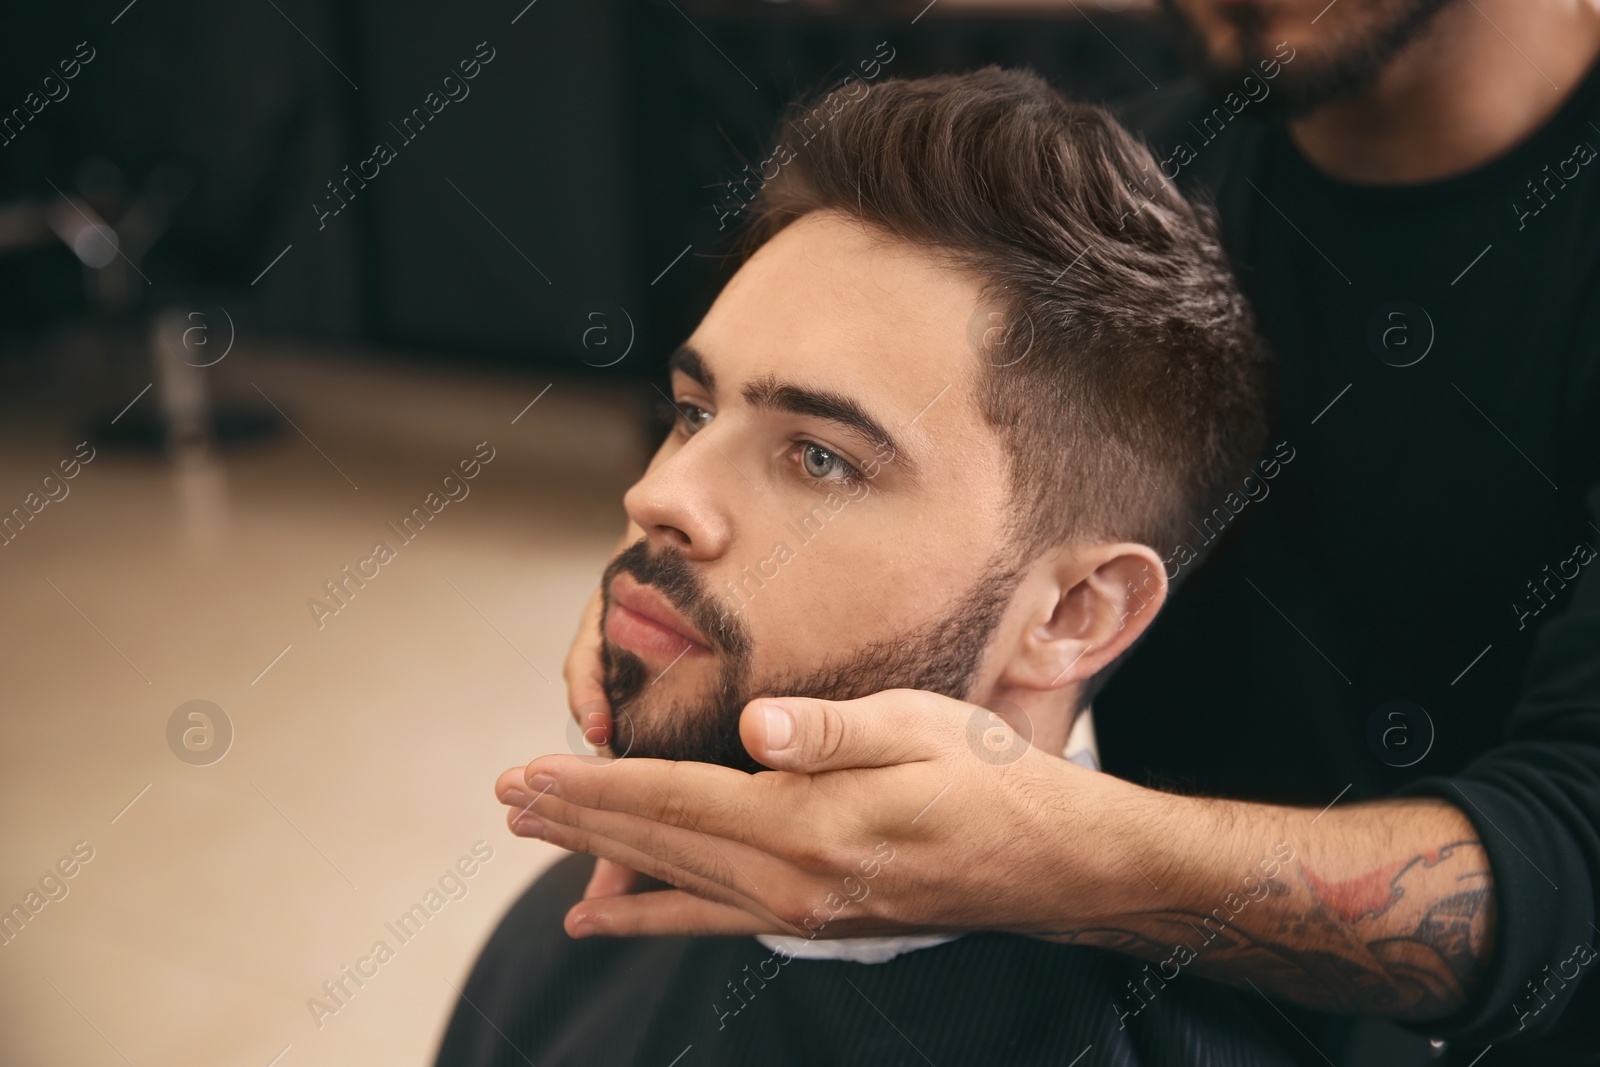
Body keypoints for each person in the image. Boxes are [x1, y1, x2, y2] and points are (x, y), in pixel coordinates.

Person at [535, 2, 1600, 1065]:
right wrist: (685, 591)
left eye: (822, 456)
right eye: (687, 414)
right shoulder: (1132, 198)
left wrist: (1045, 855)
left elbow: (1573, 866)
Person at [435, 69, 1296, 1065]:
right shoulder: (569, 933)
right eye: (694, 413)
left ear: (1070, 613)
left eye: (819, 457)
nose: (656, 496)